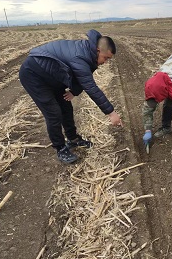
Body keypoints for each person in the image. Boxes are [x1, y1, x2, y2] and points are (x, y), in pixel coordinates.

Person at [19, 29, 122, 164]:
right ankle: (60, 148)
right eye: (106, 58)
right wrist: (111, 112)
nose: (106, 62)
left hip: (53, 75)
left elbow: (83, 75)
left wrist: (74, 91)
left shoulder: (89, 54)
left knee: (66, 107)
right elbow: (90, 86)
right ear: (98, 50)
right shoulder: (80, 56)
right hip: (34, 75)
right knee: (54, 113)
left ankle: (73, 139)